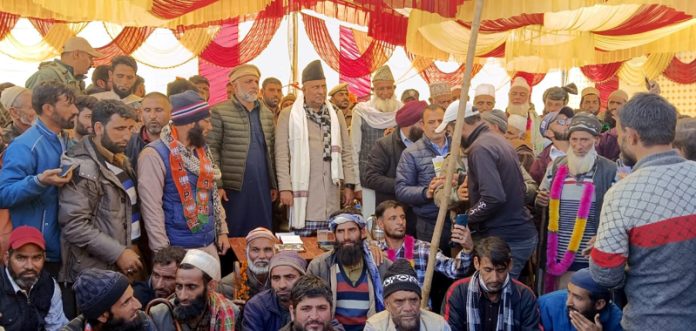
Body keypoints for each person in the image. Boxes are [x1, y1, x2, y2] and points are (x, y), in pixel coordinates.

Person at [590, 93, 696, 329]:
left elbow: (606, 275)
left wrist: (614, 251)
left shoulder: (623, 193)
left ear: (632, 136)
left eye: (619, 134)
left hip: (652, 320)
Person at [137, 90, 230, 257]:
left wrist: (222, 230)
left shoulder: (202, 151)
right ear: (189, 123)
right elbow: (152, 210)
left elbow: (212, 194)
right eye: (206, 121)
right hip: (177, 251)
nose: (210, 127)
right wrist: (163, 254)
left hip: (208, 243)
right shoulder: (153, 154)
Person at [59, 99, 142, 283]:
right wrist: (119, 253)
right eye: (119, 129)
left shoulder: (117, 157)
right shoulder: (83, 165)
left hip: (125, 262)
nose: (127, 136)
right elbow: (74, 225)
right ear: (98, 128)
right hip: (97, 272)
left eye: (130, 128)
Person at [0, 81, 77, 272]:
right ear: (48, 109)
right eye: (68, 104)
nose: (75, 110)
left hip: (62, 248)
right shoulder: (25, 145)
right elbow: (3, 193)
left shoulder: (66, 140)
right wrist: (38, 181)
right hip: (34, 253)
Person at [456, 102, 537, 279]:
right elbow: (504, 182)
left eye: (450, 131)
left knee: (497, 292)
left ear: (459, 126)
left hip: (508, 236)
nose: (451, 137)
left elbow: (493, 197)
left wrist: (467, 217)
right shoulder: (497, 140)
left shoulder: (480, 148)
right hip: (516, 232)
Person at [536, 113, 617, 291]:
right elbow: (542, 197)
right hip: (557, 252)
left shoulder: (610, 170)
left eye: (585, 140)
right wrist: (540, 200)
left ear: (596, 140)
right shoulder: (556, 166)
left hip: (589, 254)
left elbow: (617, 212)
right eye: (574, 140)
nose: (579, 146)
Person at [276, 60, 357, 236]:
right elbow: (282, 156)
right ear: (304, 90)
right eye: (315, 87)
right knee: (303, 248)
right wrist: (285, 188)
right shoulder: (289, 115)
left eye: (323, 86)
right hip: (303, 195)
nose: (321, 91)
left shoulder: (335, 114)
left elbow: (346, 152)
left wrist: (349, 185)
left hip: (331, 193)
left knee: (329, 245)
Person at [208, 64, 277, 237]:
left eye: (256, 81)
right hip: (233, 188)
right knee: (234, 232)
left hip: (261, 186)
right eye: (248, 81)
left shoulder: (267, 114)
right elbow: (211, 150)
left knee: (262, 232)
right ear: (234, 85)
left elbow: (272, 152)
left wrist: (273, 183)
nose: (254, 85)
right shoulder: (219, 112)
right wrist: (218, 184)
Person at [307, 211, 391, 331]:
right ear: (334, 235)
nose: (346, 237)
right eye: (340, 231)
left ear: (362, 232)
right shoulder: (319, 267)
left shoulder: (380, 265)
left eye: (351, 230)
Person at [442, 237, 540, 330]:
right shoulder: (458, 292)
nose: (494, 278)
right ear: (476, 263)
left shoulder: (525, 296)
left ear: (510, 265)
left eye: (500, 270)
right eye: (488, 270)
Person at [395, 104, 453, 252]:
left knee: (460, 268)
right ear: (422, 125)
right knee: (432, 270)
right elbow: (401, 189)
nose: (437, 126)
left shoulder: (459, 147)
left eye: (440, 121)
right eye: (431, 122)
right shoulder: (411, 153)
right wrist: (426, 192)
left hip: (457, 220)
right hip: (429, 223)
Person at [363, 101, 426, 236]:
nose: (425, 126)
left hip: (422, 215)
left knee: (420, 254)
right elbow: (371, 177)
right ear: (409, 123)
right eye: (421, 122)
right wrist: (404, 186)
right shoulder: (384, 145)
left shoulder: (427, 144)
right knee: (397, 254)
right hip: (395, 216)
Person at [376, 200, 472, 286]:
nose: (400, 222)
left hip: (417, 305)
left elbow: (455, 270)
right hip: (385, 305)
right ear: (380, 223)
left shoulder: (422, 249)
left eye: (403, 217)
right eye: (393, 218)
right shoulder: (375, 250)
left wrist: (467, 250)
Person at [351, 65, 402, 218]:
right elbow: (354, 149)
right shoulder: (361, 111)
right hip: (368, 179)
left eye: (388, 88)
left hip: (395, 180)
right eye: (380, 89)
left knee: (395, 220)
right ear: (373, 90)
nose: (385, 93)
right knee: (371, 220)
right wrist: (356, 184)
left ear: (394, 88)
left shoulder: (402, 111)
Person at [149, 249, 238, 331]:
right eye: (179, 286)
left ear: (211, 286)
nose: (182, 296)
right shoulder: (159, 315)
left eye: (191, 287)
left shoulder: (231, 312)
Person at [0, 226, 68, 331]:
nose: (29, 266)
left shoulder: (49, 286)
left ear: (44, 258)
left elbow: (57, 327)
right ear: (7, 258)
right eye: (21, 258)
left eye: (36, 258)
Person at [365, 259, 451, 331]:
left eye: (413, 300)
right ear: (386, 304)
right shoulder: (375, 327)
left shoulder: (439, 325)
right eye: (399, 301)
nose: (408, 308)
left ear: (420, 301)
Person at [65, 268, 156, 331]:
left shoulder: (141, 320)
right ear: (103, 316)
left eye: (133, 296)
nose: (138, 305)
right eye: (126, 302)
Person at [539, 268, 622, 331]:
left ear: (599, 304)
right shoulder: (547, 305)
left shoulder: (616, 319)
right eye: (569, 292)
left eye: (578, 297)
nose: (568, 302)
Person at [242, 251, 308, 330]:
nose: (282, 285)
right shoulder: (257, 306)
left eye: (289, 277)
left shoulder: (315, 303)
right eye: (276, 278)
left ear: (303, 278)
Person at [25, 37, 102, 93]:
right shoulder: (46, 76)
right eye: (90, 58)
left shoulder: (78, 82)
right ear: (76, 54)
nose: (92, 63)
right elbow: (31, 110)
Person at [219, 227, 276, 302]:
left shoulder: (282, 278)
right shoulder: (227, 285)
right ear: (246, 253)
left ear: (275, 253)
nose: (262, 256)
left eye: (267, 250)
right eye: (255, 250)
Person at [125, 92, 172, 168]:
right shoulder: (128, 143)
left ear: (170, 113)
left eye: (158, 110)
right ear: (140, 114)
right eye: (147, 110)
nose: (153, 116)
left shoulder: (181, 141)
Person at [529, 106, 575, 184]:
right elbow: (536, 190)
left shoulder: (586, 149)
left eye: (567, 121)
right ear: (549, 133)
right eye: (560, 122)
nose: (567, 124)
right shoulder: (540, 163)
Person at [506, 76, 544, 154]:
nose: (517, 97)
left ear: (528, 97)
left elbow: (540, 144)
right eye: (514, 94)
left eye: (522, 94)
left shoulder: (535, 119)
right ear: (509, 96)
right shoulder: (502, 117)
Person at [596, 90, 628, 161]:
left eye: (618, 103)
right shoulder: (599, 119)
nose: (614, 106)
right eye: (612, 102)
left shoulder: (629, 124)